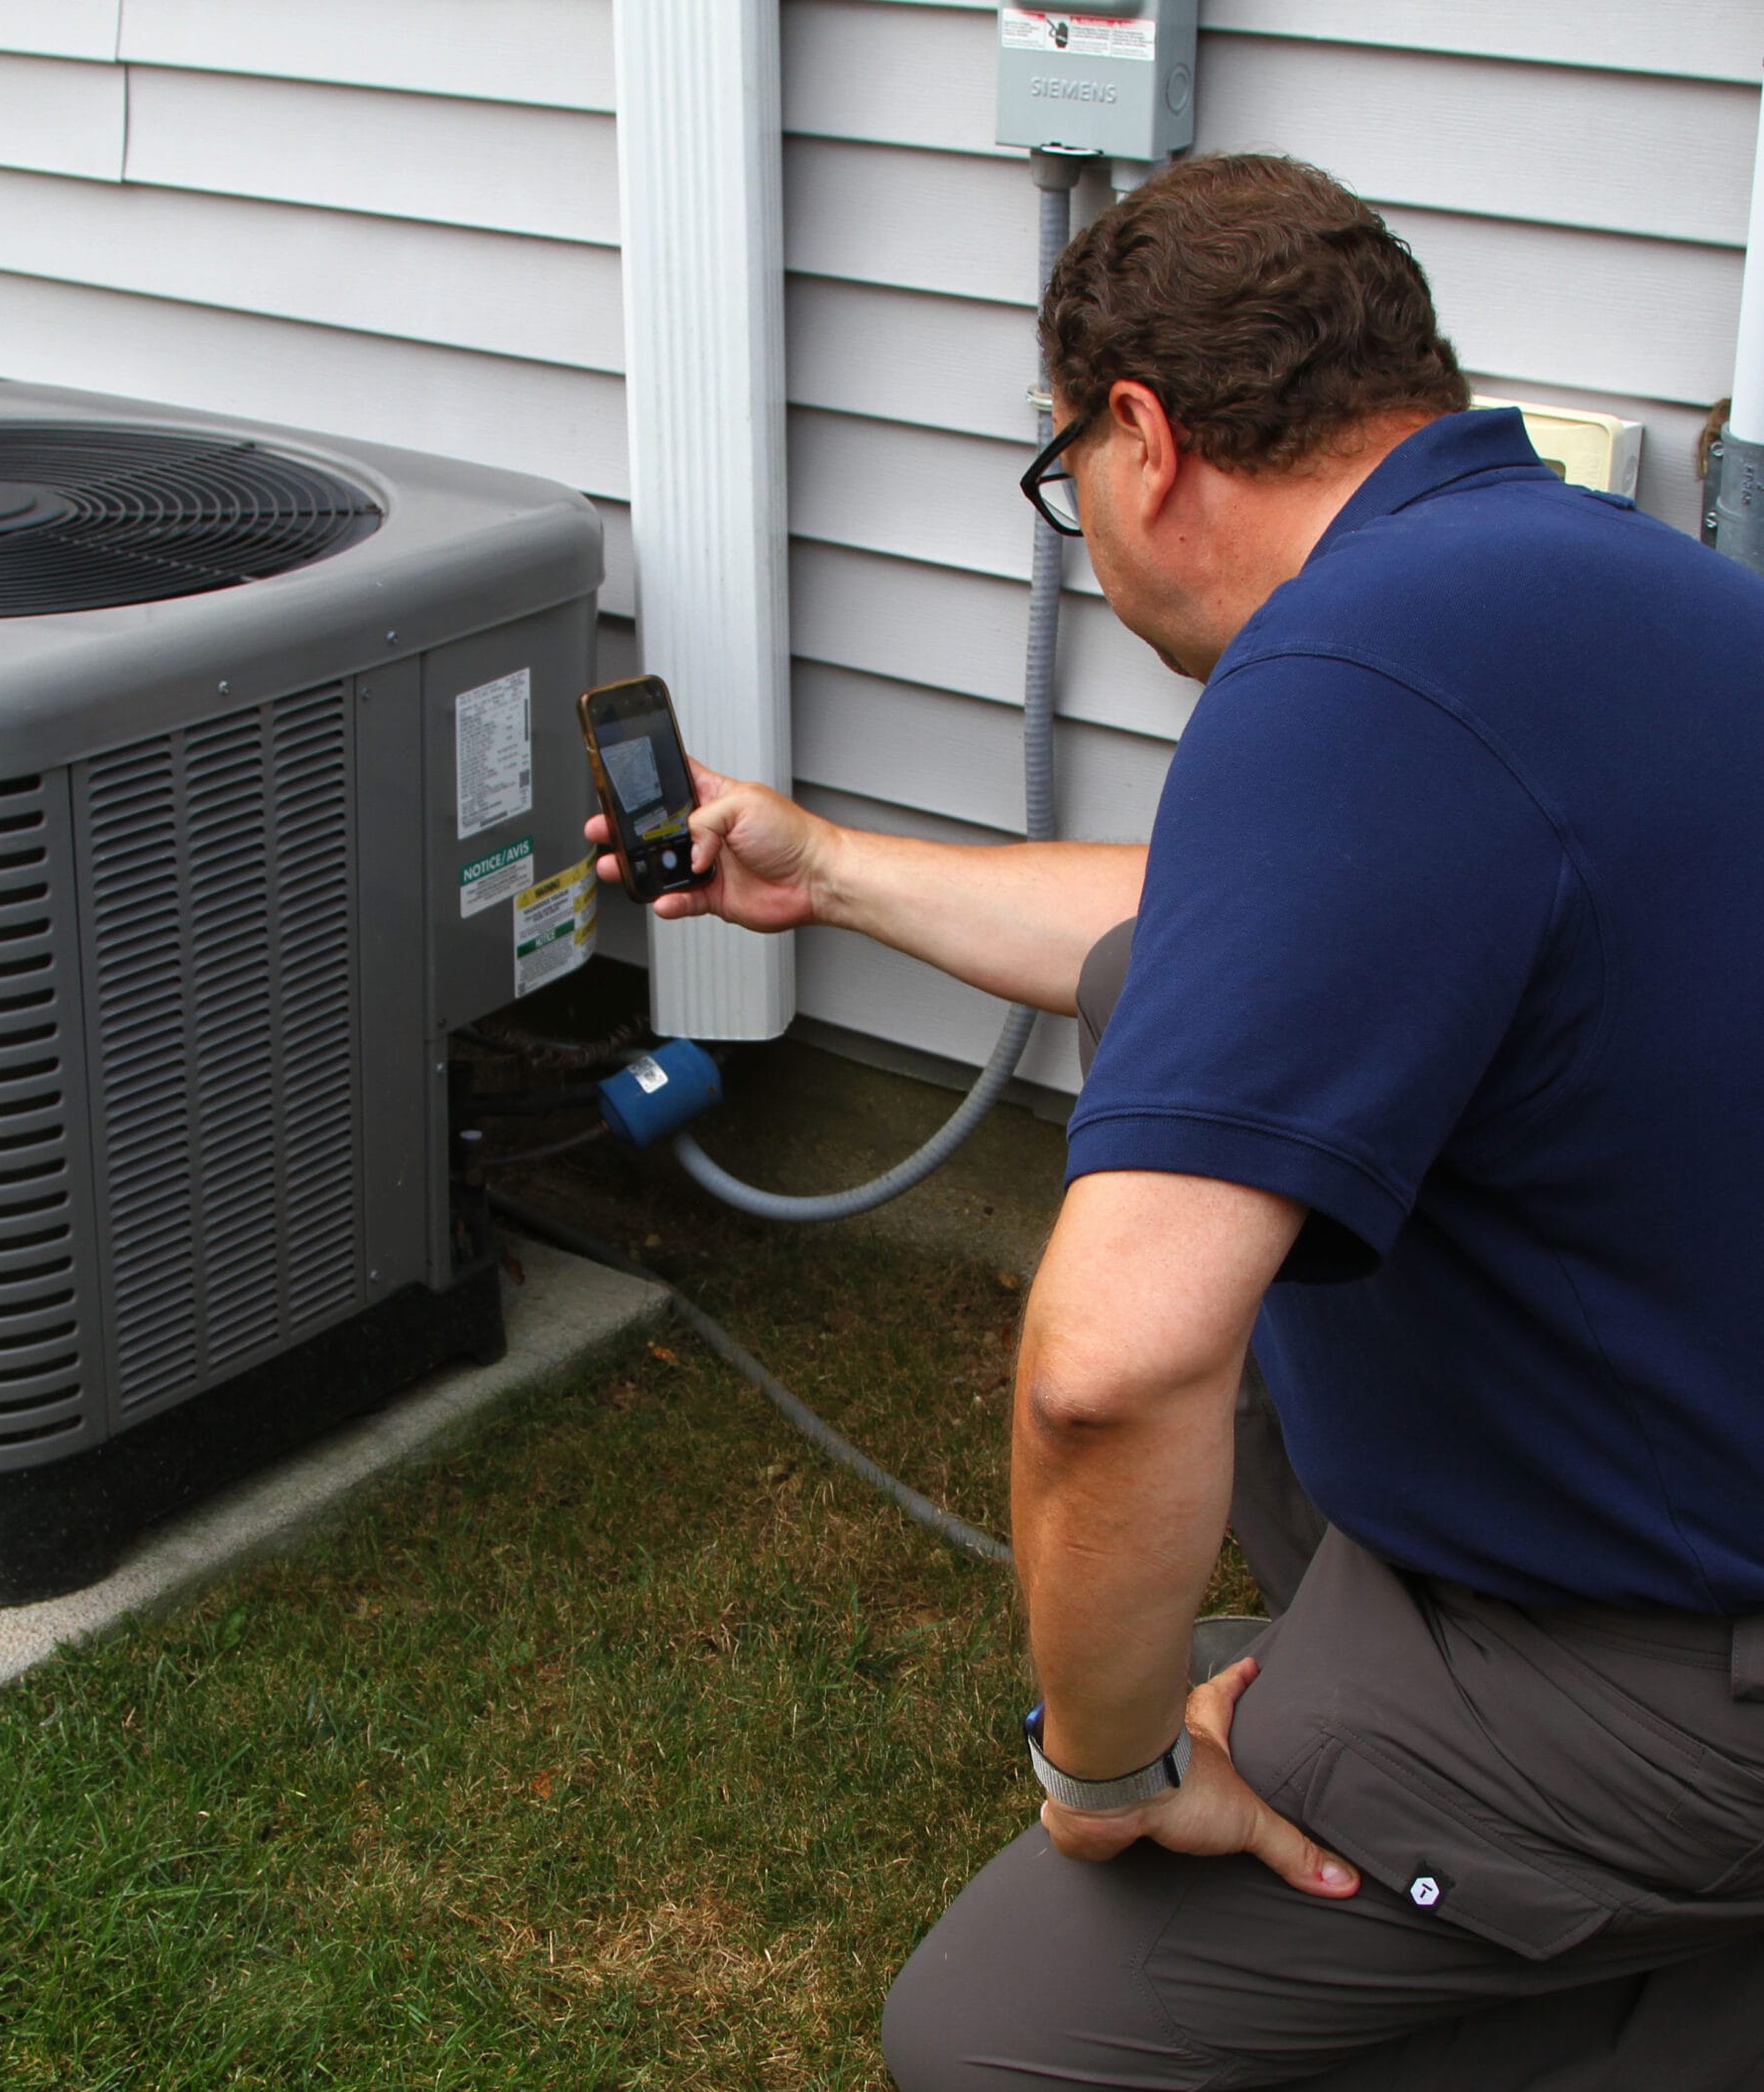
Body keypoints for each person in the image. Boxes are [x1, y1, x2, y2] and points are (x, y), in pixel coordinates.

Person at [587, 154, 1764, 2088]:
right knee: (1163, 1007)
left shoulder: (1341, 674)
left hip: (1661, 1656)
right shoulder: (1590, 590)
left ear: (1138, 439)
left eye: (1061, 484)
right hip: (1679, 1458)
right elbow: (1212, 941)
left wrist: (1112, 1760)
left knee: (987, 2032)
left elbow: (1105, 1373)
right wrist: (830, 867)